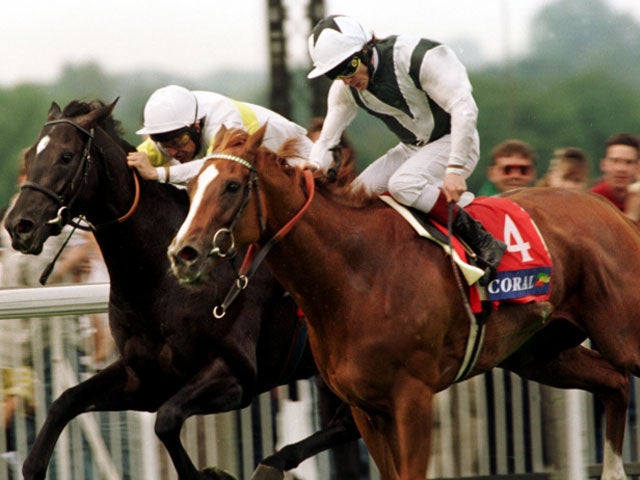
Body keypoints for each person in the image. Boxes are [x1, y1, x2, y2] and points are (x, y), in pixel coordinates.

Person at [306, 15, 505, 280]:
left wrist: (455, 168)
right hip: (412, 148)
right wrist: (309, 170)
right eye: (335, 73)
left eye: (349, 66)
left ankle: (481, 239)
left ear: (367, 49)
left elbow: (465, 108)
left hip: (455, 142)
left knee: (403, 184)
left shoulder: (415, 57)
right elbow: (327, 142)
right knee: (353, 196)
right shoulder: (344, 90)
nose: (346, 79)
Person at [127, 85, 323, 185]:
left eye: (179, 141)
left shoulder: (223, 118)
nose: (172, 152)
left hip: (302, 162)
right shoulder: (173, 127)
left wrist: (158, 174)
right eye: (162, 143)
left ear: (196, 126)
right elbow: (132, 159)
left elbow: (217, 168)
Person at [590, 132, 640, 215]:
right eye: (615, 161)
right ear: (603, 165)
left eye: (629, 162)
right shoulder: (591, 201)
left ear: (638, 167)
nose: (621, 169)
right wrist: (632, 216)